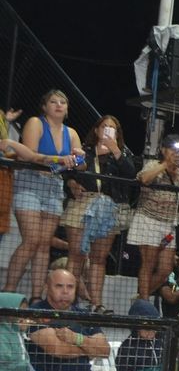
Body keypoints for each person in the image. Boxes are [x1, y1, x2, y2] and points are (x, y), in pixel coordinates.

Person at [6, 90, 83, 299]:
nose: (58, 105)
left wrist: (78, 158)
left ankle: (36, 297)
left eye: (63, 102)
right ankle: (8, 293)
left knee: (43, 245)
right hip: (31, 181)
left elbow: (80, 164)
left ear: (67, 109)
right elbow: (30, 155)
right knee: (31, 240)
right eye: (53, 101)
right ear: (44, 106)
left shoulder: (72, 133)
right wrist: (60, 160)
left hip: (54, 187)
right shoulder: (35, 123)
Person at [60, 114, 136, 308]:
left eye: (113, 128)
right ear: (96, 130)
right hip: (83, 203)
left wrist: (116, 150)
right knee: (76, 253)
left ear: (118, 134)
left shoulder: (122, 154)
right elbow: (67, 172)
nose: (107, 130)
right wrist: (71, 183)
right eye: (104, 126)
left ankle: (96, 303)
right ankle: (68, 302)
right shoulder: (85, 151)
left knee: (99, 258)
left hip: (108, 208)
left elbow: (131, 175)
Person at [128, 135, 179, 302]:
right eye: (172, 149)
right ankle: (144, 303)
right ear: (163, 150)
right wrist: (165, 164)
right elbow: (143, 178)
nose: (176, 153)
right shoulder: (154, 165)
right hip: (149, 220)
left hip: (169, 226)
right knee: (148, 262)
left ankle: (141, 298)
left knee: (166, 268)